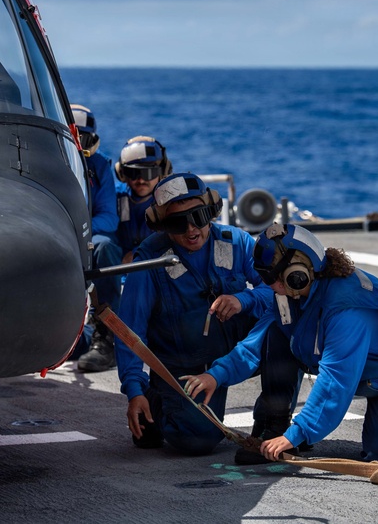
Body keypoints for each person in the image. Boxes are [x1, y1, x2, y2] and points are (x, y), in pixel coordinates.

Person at [181, 223, 378, 463]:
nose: (267, 284)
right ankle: (274, 425)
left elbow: (334, 381)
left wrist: (297, 434)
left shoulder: (346, 311)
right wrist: (216, 375)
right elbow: (256, 342)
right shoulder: (289, 295)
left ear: (296, 275)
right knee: (275, 334)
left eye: (269, 277)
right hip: (360, 371)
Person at [115, 173, 300, 461]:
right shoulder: (150, 260)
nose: (191, 229)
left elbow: (278, 291)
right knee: (196, 441)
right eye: (178, 222)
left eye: (199, 216)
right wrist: (134, 390)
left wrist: (244, 300)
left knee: (289, 322)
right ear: (162, 224)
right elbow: (130, 329)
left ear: (211, 212)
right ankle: (157, 400)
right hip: (184, 368)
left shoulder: (236, 242)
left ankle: (272, 425)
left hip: (232, 353)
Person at [70, 104, 121, 372]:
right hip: (49, 233)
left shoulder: (100, 167)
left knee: (105, 247)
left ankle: (106, 336)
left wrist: (75, 230)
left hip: (80, 236)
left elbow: (109, 218)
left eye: (83, 138)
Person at [113, 136, 172, 263]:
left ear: (163, 171)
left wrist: (136, 253)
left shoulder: (171, 203)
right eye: (133, 173)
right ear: (122, 174)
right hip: (118, 272)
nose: (141, 180)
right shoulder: (115, 197)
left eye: (148, 173)